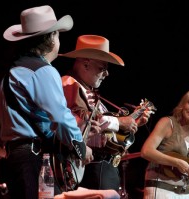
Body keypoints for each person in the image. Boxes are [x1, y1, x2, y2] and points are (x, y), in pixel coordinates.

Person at [0, 5, 94, 199]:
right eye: (57, 35)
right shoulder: (43, 71)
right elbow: (61, 117)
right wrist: (81, 147)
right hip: (33, 157)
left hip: (13, 158)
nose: (59, 40)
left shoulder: (10, 75)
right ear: (50, 39)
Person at [59, 34, 153, 193]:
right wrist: (119, 122)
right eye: (102, 68)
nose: (107, 74)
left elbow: (103, 135)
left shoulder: (89, 92)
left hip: (100, 167)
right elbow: (78, 122)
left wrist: (131, 124)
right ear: (86, 64)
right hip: (93, 168)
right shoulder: (69, 83)